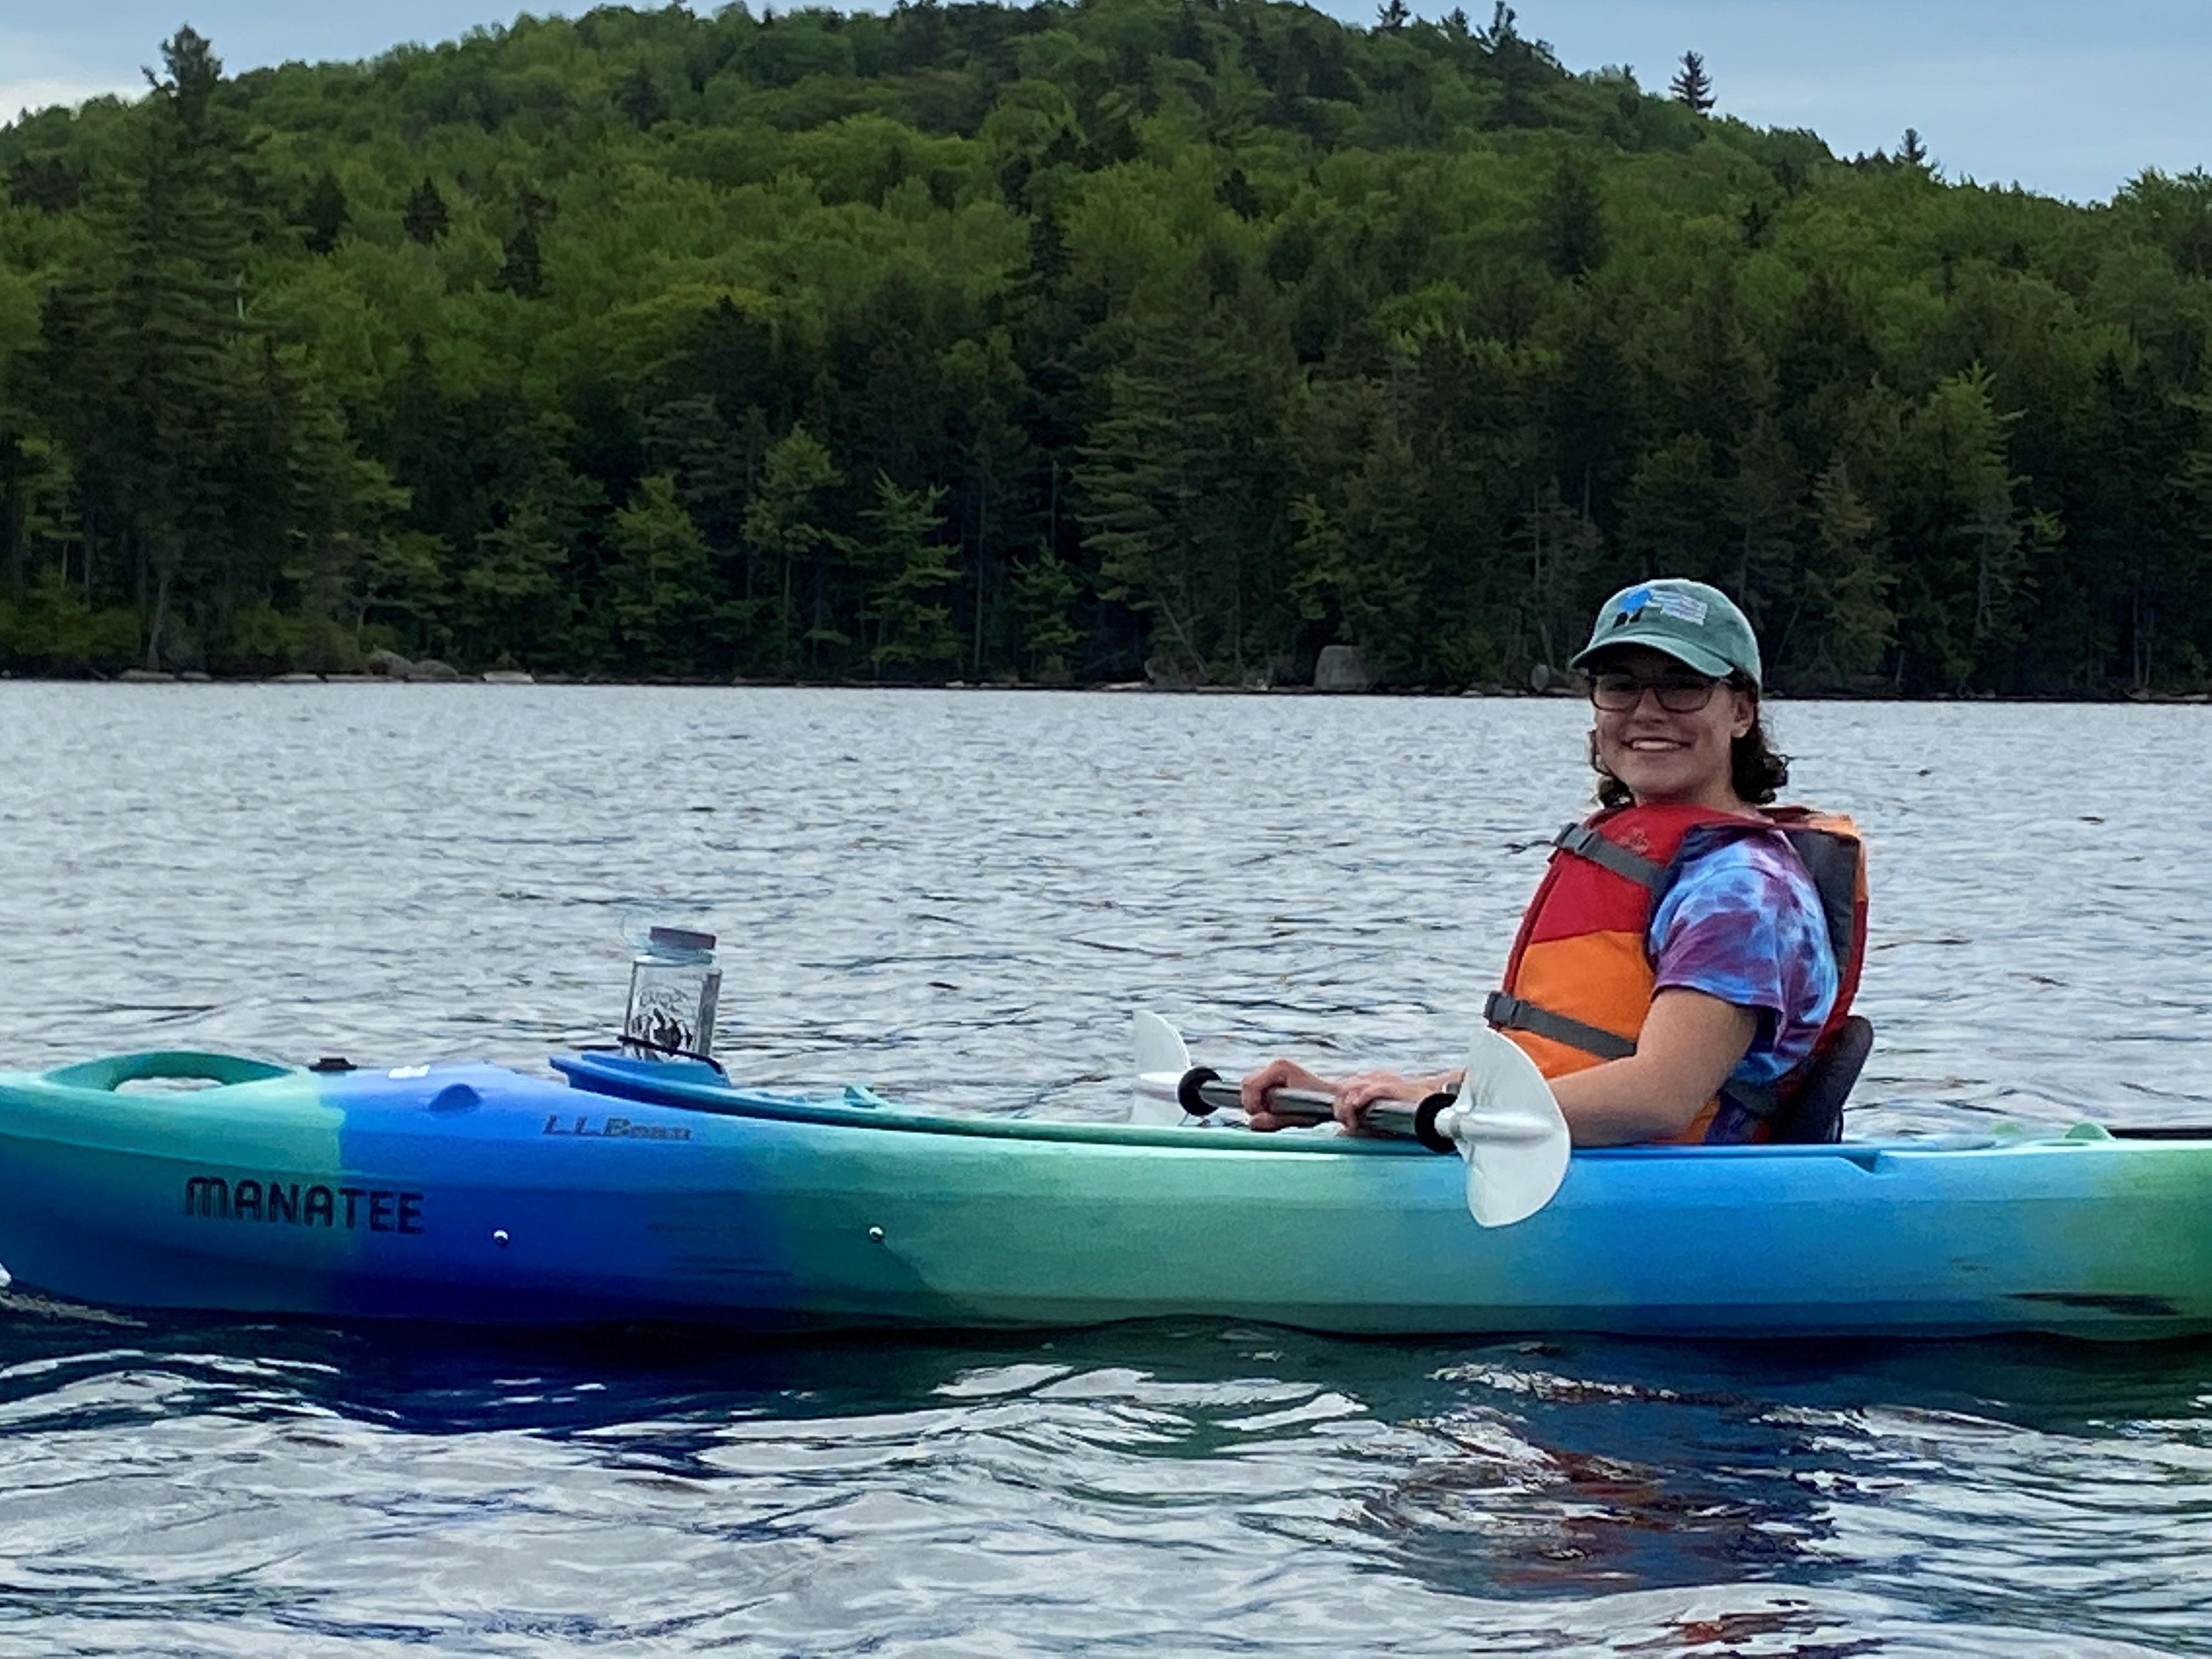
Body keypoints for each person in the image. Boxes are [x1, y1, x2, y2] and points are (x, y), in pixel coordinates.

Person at [1242, 578, 1866, 1147]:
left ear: (1740, 711)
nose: (1647, 711)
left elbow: (1660, 1097)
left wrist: (1438, 1103)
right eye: (1620, 685)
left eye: (1683, 685)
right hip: (1572, 1170)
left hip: (1660, 1205)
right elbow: (1561, 1071)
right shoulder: (1676, 868)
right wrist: (1339, 1098)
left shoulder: (1745, 891)